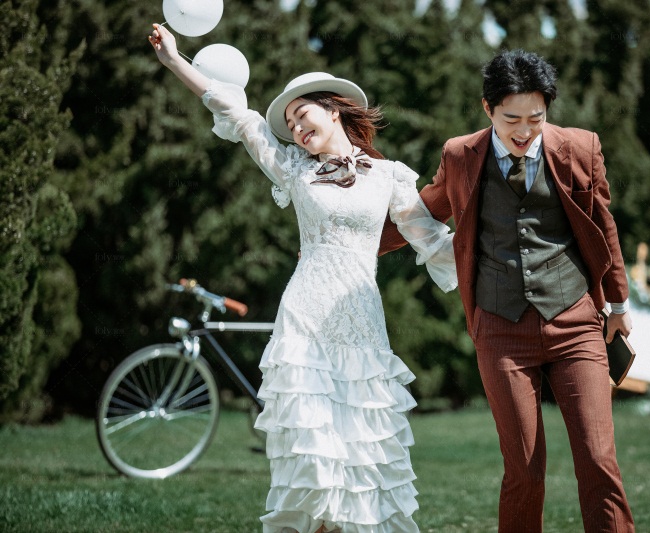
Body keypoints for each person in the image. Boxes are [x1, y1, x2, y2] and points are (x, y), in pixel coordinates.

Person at [148, 24, 456, 533]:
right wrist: (176, 61)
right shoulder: (293, 168)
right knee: (313, 459)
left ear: (333, 110)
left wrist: (495, 264)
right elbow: (238, 115)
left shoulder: (389, 176)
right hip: (305, 320)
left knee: (362, 458)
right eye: (289, 123)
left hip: (360, 322)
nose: (295, 128)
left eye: (301, 114)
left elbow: (433, 240)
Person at [380, 49, 635, 532]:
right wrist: (353, 241)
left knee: (599, 460)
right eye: (511, 119)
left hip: (575, 321)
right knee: (523, 471)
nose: (524, 131)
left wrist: (618, 303)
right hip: (500, 329)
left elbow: (604, 226)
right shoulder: (460, 155)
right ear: (487, 108)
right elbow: (424, 212)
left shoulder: (580, 148)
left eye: (535, 118)